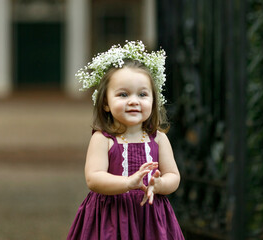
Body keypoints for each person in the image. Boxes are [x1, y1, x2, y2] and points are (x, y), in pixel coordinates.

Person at [67, 41, 184, 240]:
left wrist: (159, 184)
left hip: (150, 216)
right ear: (105, 103)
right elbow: (93, 178)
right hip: (110, 217)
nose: (133, 101)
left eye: (142, 94)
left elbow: (173, 175)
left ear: (153, 101)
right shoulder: (103, 139)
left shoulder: (159, 139)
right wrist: (128, 182)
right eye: (123, 94)